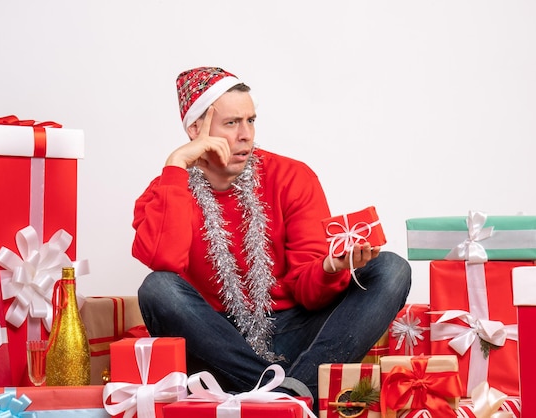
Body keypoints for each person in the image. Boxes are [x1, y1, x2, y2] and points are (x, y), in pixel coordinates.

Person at [132, 66, 411, 410]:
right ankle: (289, 397)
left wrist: (329, 267)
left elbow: (307, 294)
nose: (246, 134)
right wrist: (176, 164)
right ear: (195, 130)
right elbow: (164, 261)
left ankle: (288, 396)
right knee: (156, 287)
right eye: (232, 123)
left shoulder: (291, 176)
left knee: (391, 269)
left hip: (298, 334)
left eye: (250, 120)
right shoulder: (165, 191)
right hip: (219, 344)